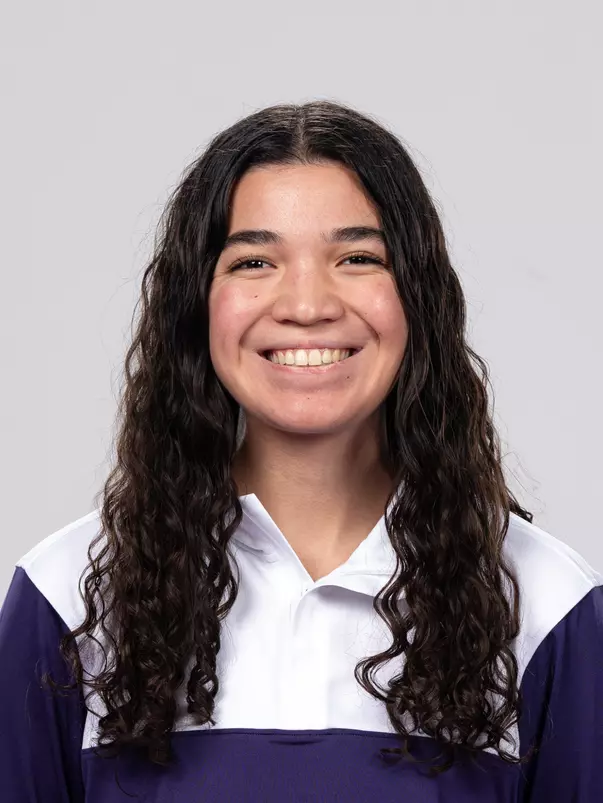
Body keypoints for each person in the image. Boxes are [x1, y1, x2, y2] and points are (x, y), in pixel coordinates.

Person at [0, 100, 601, 802]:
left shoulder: (542, 602)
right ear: (198, 304)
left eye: (356, 257)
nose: (307, 303)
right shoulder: (69, 596)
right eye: (254, 260)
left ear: (416, 298)